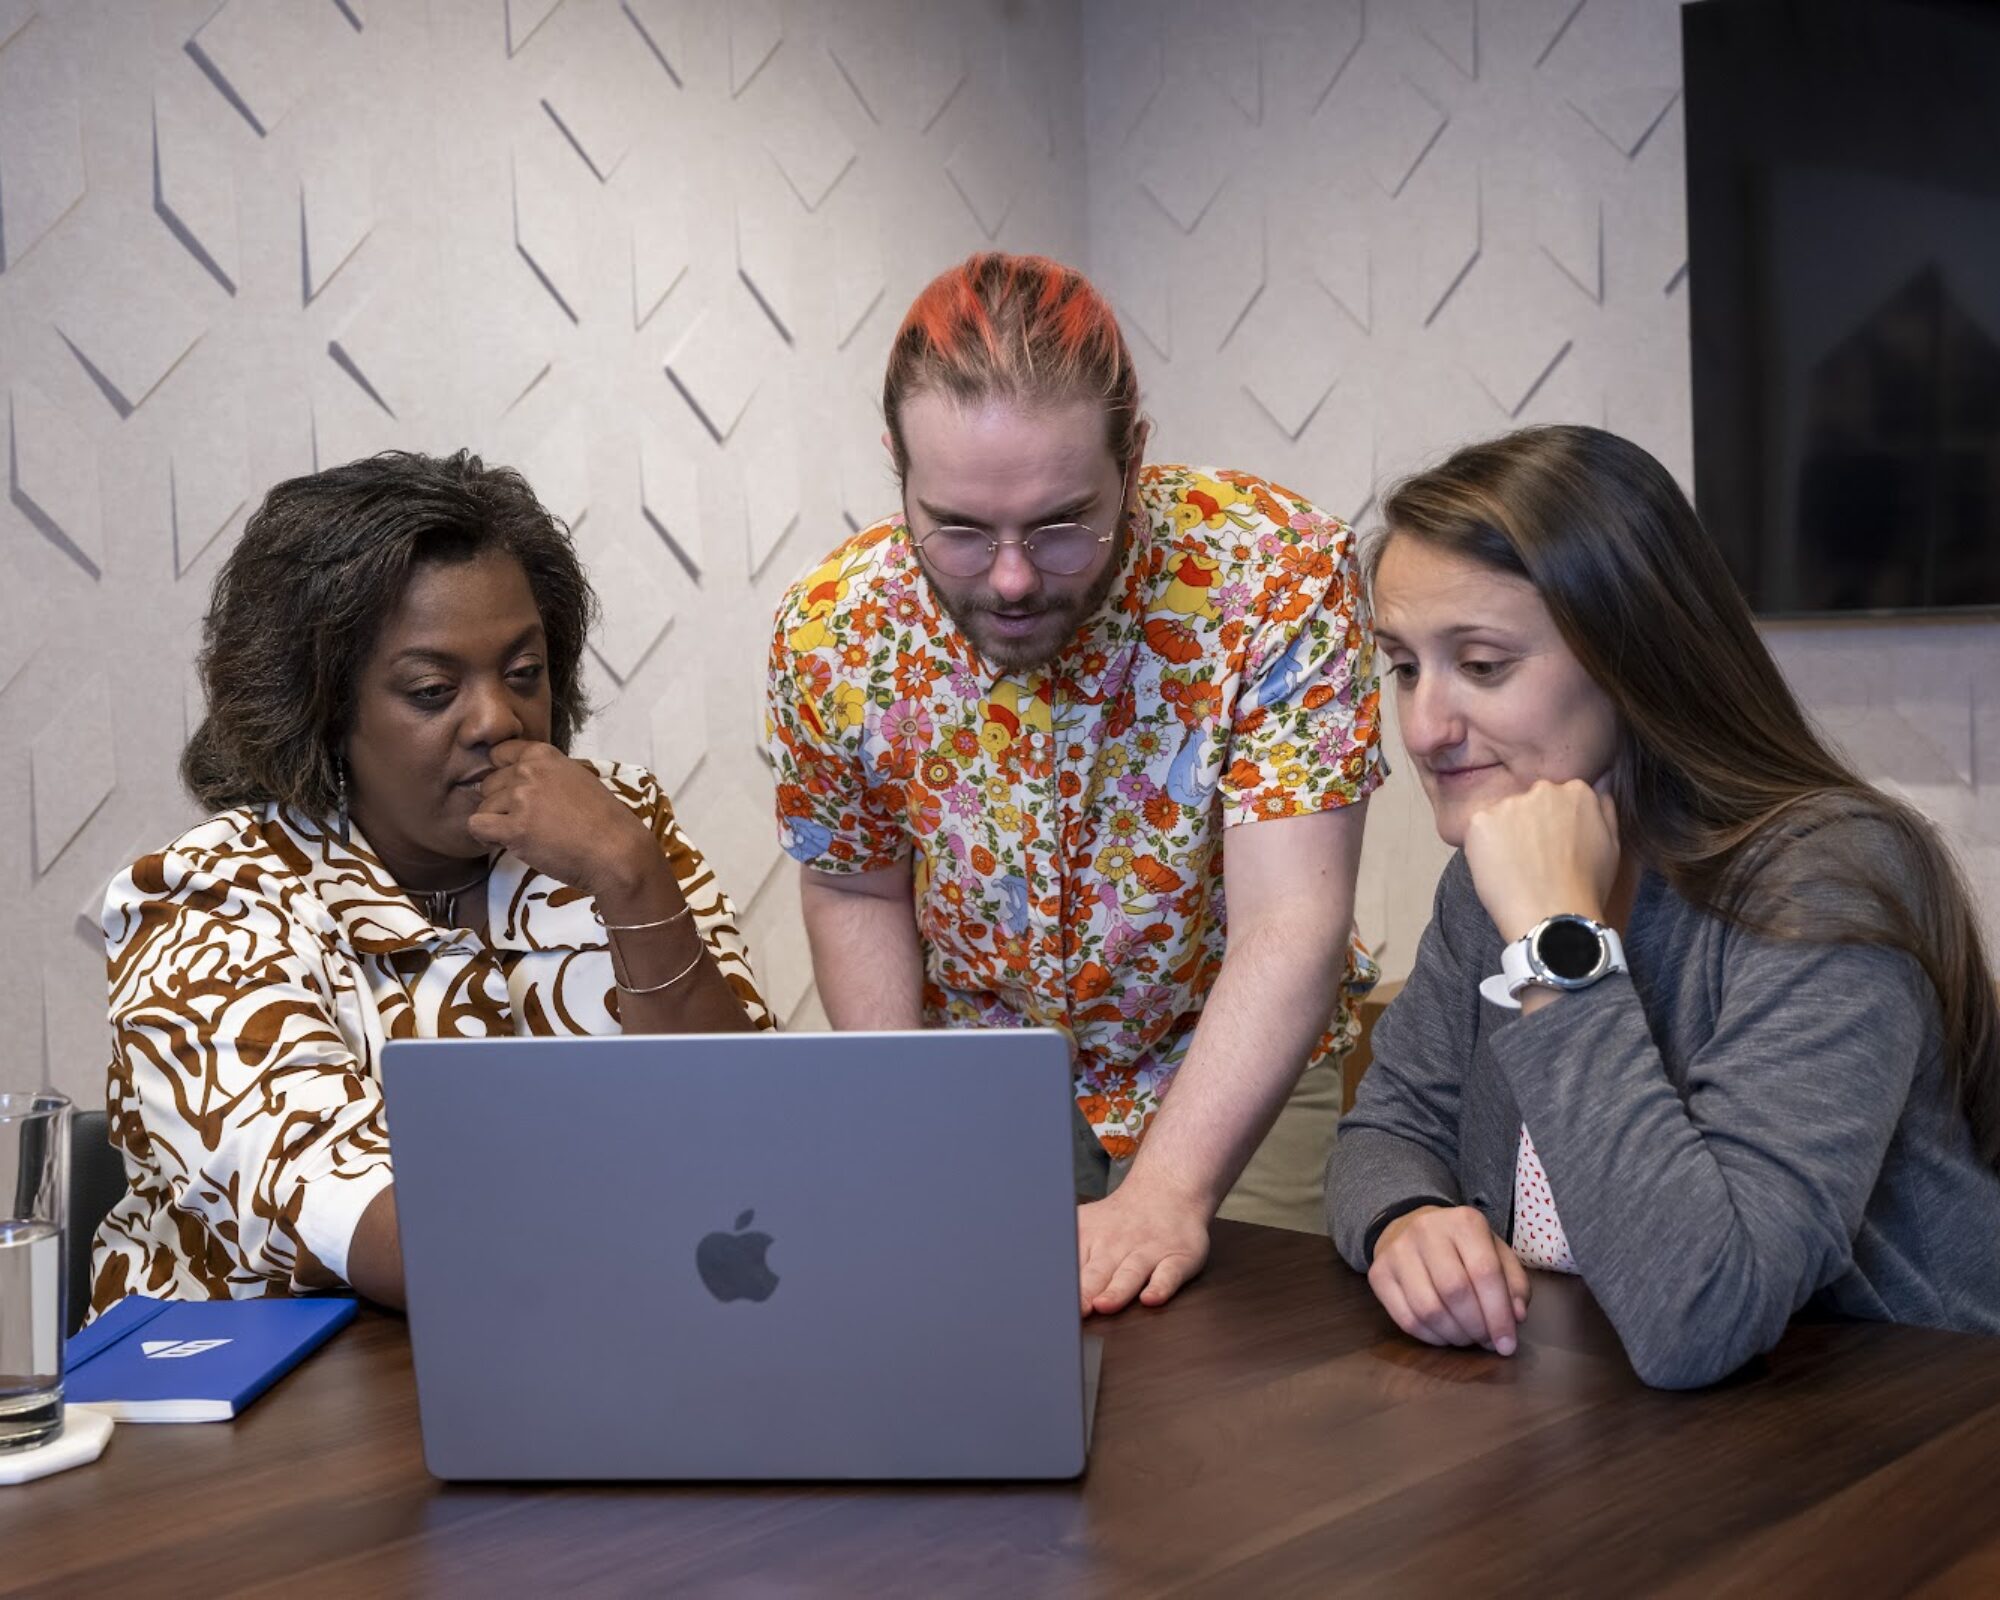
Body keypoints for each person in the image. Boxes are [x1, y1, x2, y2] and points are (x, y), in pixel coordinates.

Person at [765, 253, 1383, 1317]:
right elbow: (855, 888)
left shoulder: (1276, 575)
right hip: (976, 1081)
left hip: (1226, 1058)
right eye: (956, 527)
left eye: (1059, 523)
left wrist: (1168, 1194)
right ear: (896, 469)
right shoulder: (828, 627)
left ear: (1131, 455)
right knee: (978, 1365)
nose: (1008, 578)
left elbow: (1290, 919)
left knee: (1239, 1401)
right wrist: (907, 1126)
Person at [1327, 423, 2000, 1389]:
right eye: (1403, 666)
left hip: (1894, 1448)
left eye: (1481, 665)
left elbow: (1703, 1311)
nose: (1424, 727)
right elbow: (1385, 1133)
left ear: (1629, 658)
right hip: (1613, 1427)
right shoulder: (1494, 867)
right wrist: (1406, 1220)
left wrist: (1553, 941)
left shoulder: (1831, 872)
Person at [92, 451, 769, 1317]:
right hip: (275, 1417)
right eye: (432, 690)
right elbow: (382, 1233)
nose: (496, 720)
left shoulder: (618, 826)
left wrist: (633, 881)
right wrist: (670, 1202)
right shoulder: (207, 900)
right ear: (325, 709)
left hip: (604, 1351)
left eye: (524, 673)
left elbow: (751, 1152)